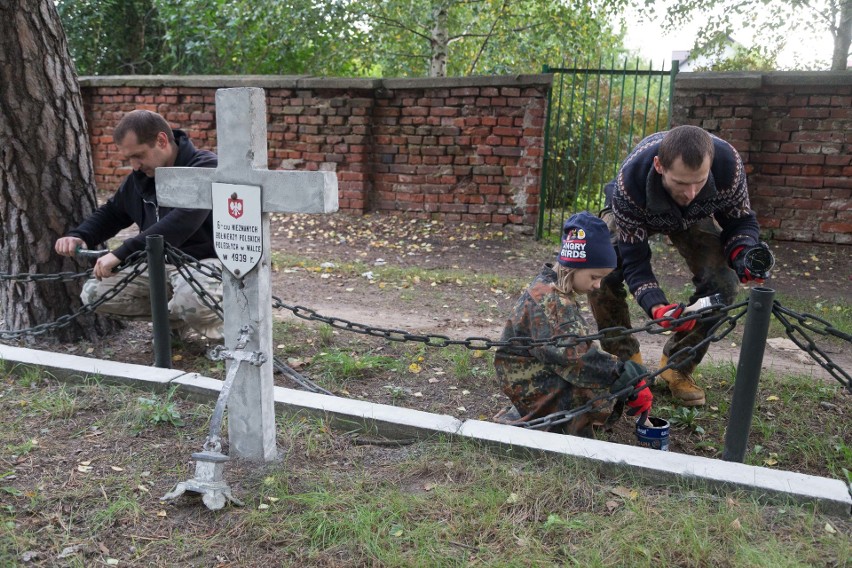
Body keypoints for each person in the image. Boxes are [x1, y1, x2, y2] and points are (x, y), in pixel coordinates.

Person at [588, 125, 773, 407]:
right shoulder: (631, 183)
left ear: (710, 166)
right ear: (659, 166)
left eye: (699, 182)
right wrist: (656, 306)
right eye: (681, 183)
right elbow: (635, 260)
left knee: (724, 281)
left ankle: (679, 365)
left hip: (694, 218)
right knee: (601, 272)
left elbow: (740, 221)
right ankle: (625, 366)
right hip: (638, 211)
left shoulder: (728, 165)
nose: (690, 192)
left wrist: (743, 253)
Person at [55, 110, 223, 340]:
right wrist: (81, 235)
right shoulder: (141, 177)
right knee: (96, 293)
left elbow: (184, 219)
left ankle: (228, 334)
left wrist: (122, 253)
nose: (134, 166)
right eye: (128, 159)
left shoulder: (205, 167)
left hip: (206, 263)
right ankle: (177, 322)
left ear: (161, 140)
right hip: (160, 264)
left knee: (190, 300)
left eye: (138, 155)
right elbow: (114, 212)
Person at [493, 212, 653, 437]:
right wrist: (624, 374)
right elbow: (576, 358)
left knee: (599, 387)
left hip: (531, 375)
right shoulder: (553, 304)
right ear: (574, 266)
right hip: (531, 383)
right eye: (594, 276)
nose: (598, 285)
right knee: (593, 399)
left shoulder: (550, 285)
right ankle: (554, 424)